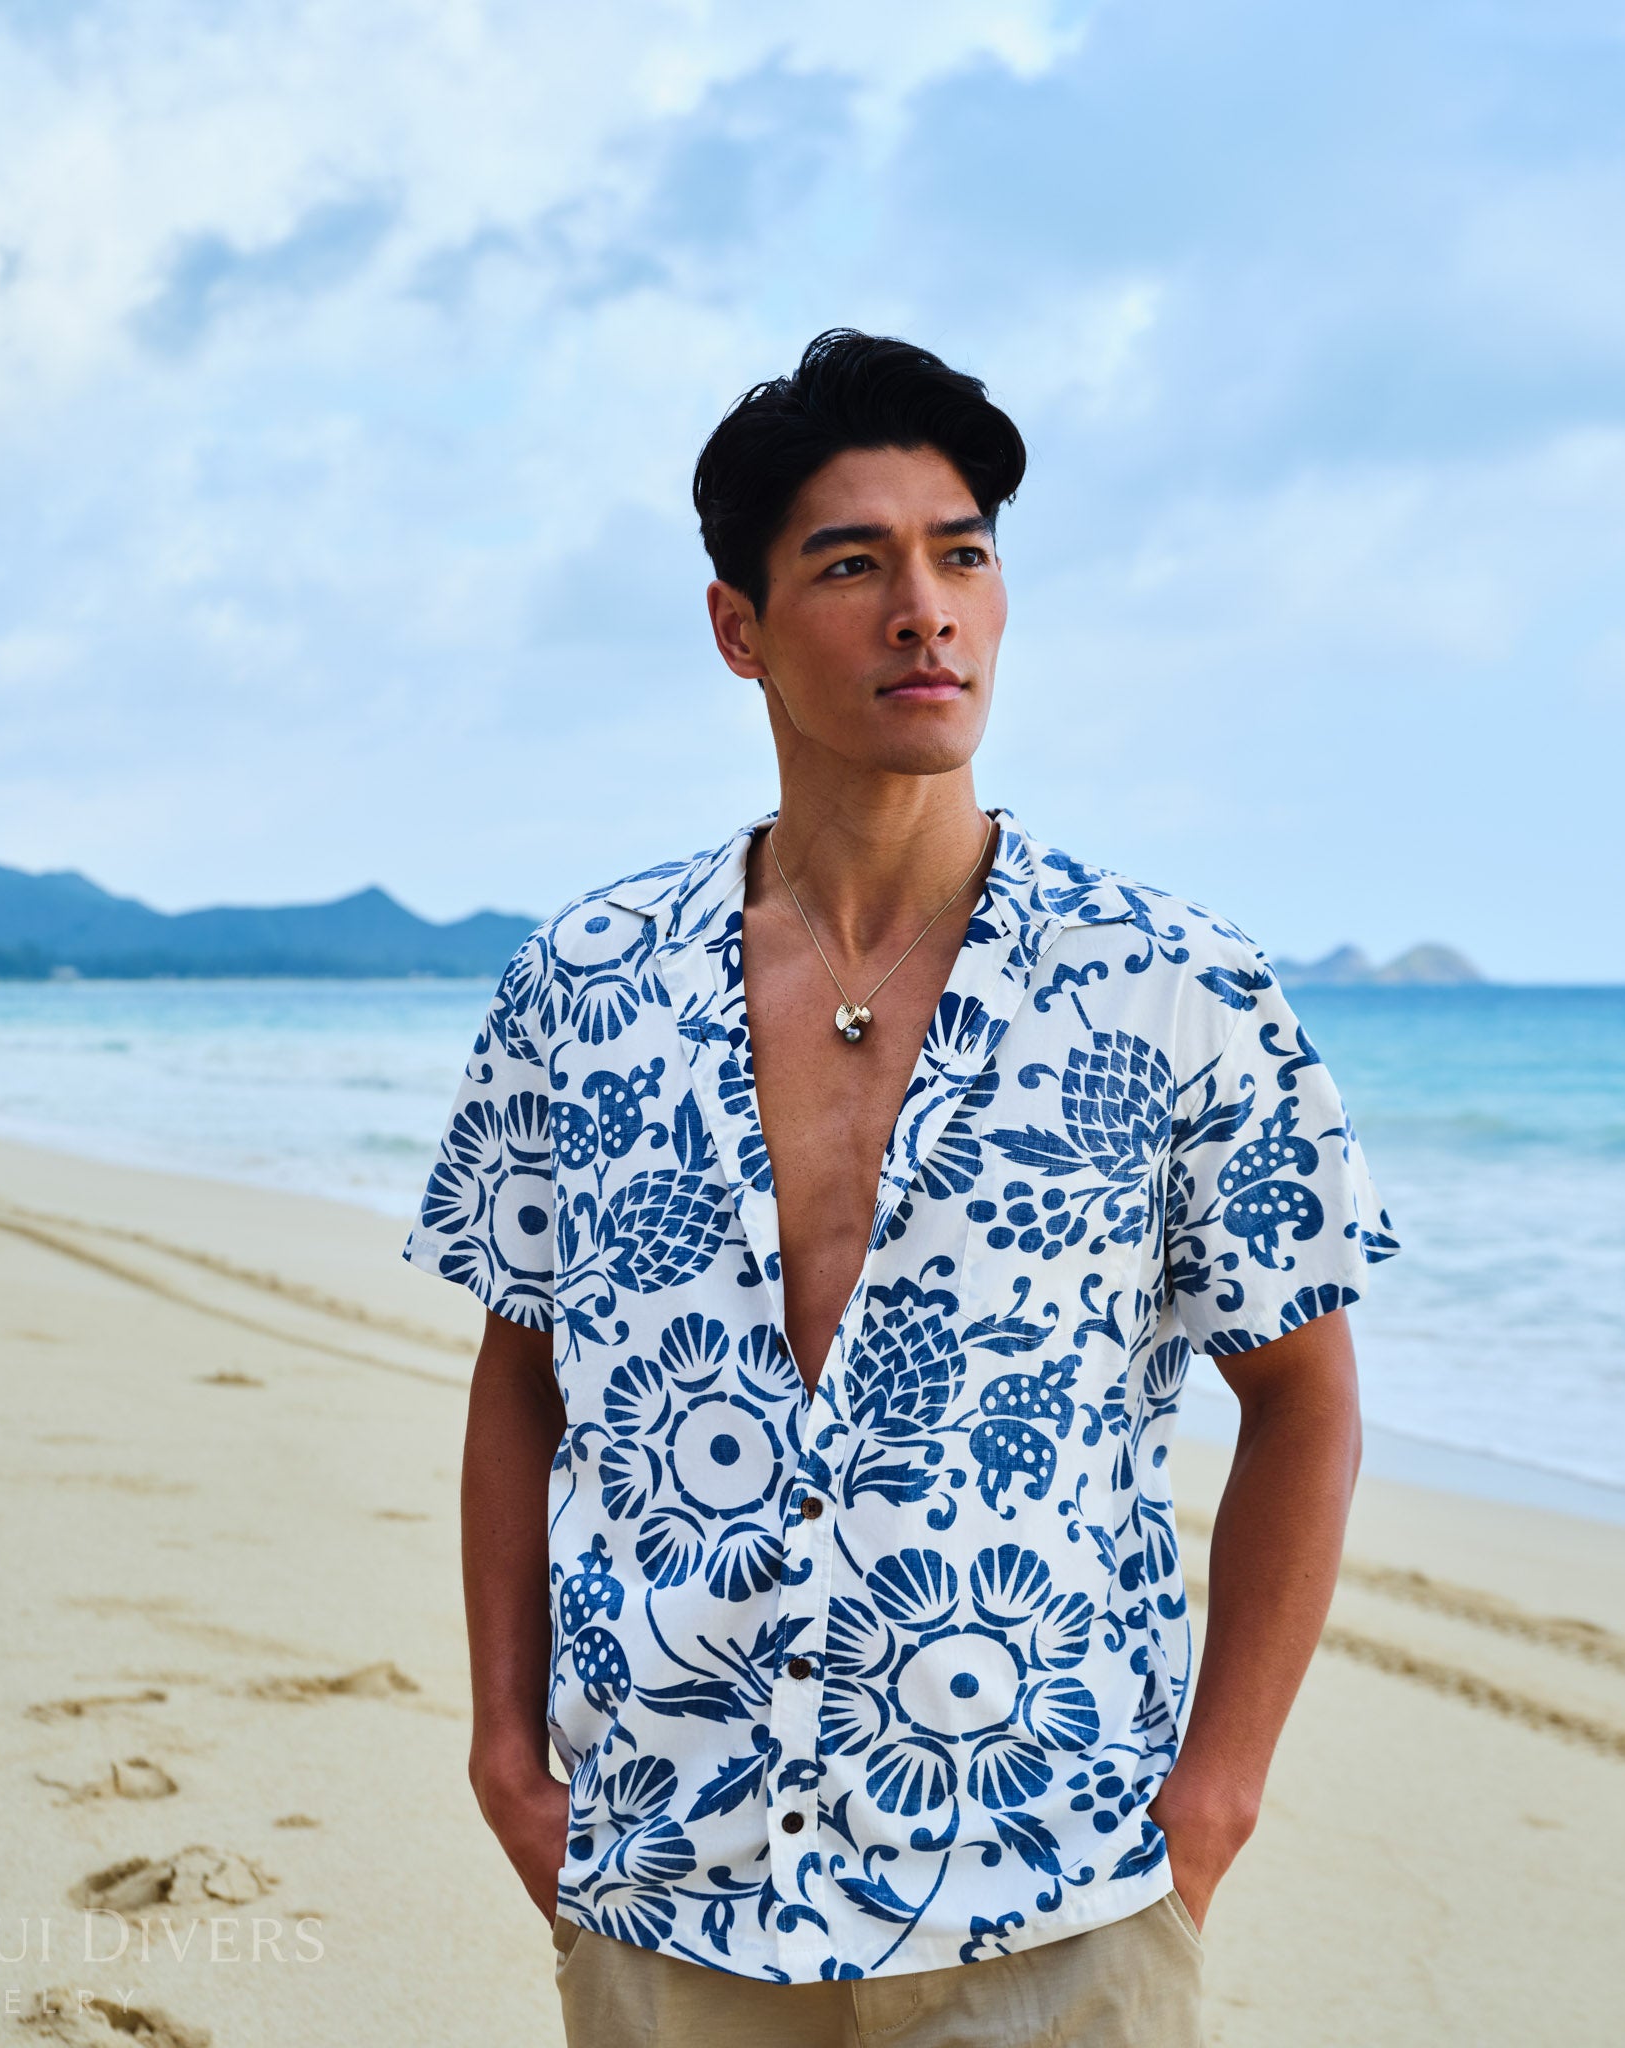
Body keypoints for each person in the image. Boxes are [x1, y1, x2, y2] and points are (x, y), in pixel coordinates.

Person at [405, 329, 1397, 2044]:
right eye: (852, 565)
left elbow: (1304, 1395)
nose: (922, 610)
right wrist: (508, 1745)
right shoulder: (584, 981)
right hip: (667, 1876)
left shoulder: (1169, 981)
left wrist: (1214, 1798)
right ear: (740, 629)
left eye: (963, 556)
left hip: (1055, 1891)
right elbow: (522, 1374)